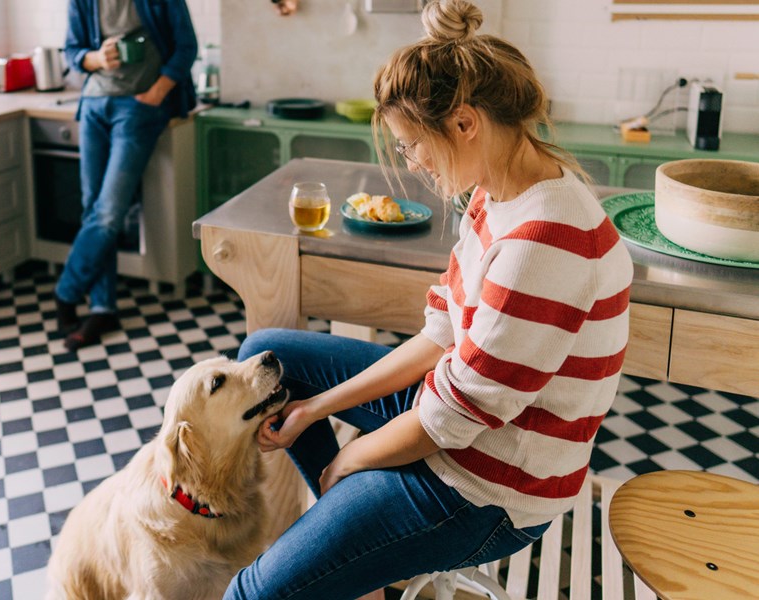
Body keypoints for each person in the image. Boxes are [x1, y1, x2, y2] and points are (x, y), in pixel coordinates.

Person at [224, 1, 633, 598]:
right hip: (455, 421)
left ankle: (347, 544)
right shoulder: (498, 192)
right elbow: (442, 333)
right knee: (271, 360)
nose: (412, 164)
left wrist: (348, 461)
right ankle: (353, 556)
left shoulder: (543, 247)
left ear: (465, 123)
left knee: (252, 592)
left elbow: (448, 421)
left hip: (486, 489)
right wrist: (315, 411)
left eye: (412, 145)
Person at [56, 0, 198, 351]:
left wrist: (157, 93)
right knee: (94, 209)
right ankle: (103, 308)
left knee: (107, 212)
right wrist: (97, 59)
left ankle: (67, 292)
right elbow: (73, 52)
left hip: (138, 107)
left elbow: (186, 47)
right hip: (93, 105)